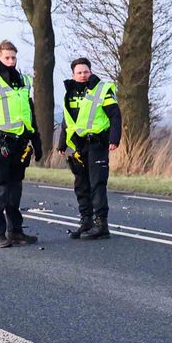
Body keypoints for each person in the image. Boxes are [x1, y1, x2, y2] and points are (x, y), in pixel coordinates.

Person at [0, 40, 42, 248]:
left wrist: (36, 140)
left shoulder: (23, 81)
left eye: (13, 57)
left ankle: (16, 232)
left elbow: (29, 113)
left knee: (15, 189)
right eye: (7, 57)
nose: (11, 61)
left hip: (20, 143)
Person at [57, 58, 121, 240]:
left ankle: (101, 225)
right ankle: (86, 222)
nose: (83, 75)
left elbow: (115, 115)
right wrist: (62, 143)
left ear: (90, 72)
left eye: (86, 72)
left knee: (97, 183)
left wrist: (114, 139)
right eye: (79, 72)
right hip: (79, 145)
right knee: (81, 184)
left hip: (97, 143)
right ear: (73, 75)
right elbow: (67, 120)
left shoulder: (102, 90)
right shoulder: (70, 93)